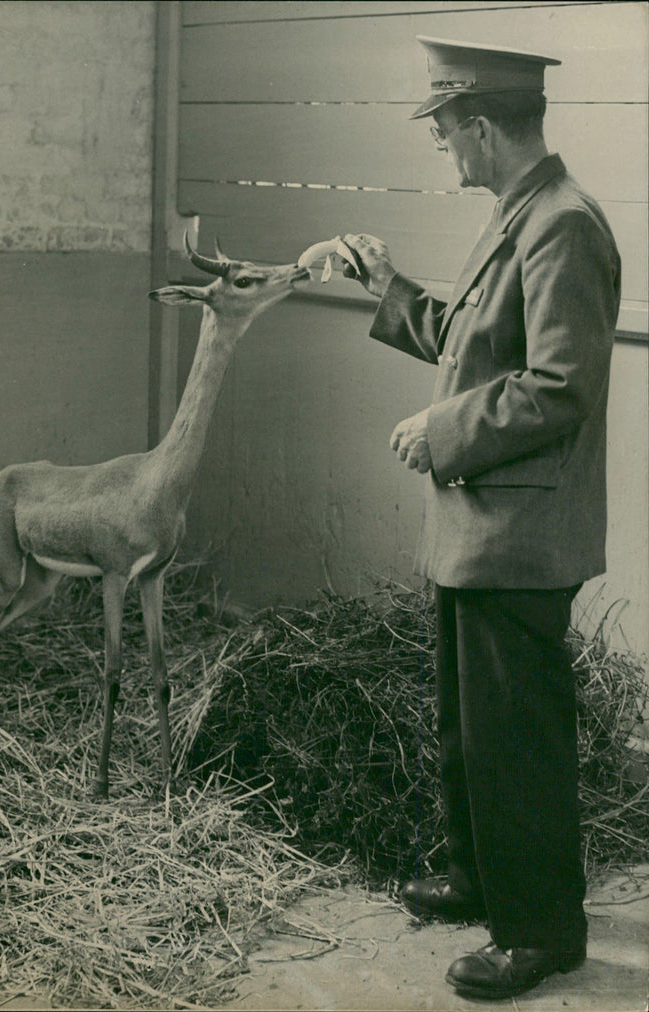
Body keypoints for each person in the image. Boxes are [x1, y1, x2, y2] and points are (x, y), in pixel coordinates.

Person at [341, 36, 620, 1000]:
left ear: (485, 126)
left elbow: (559, 386)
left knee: (518, 740)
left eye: (446, 130)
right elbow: (476, 349)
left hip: (520, 536)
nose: (444, 148)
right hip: (482, 530)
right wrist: (386, 288)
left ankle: (541, 930)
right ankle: (479, 877)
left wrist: (442, 432)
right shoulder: (520, 214)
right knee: (473, 730)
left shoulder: (563, 225)